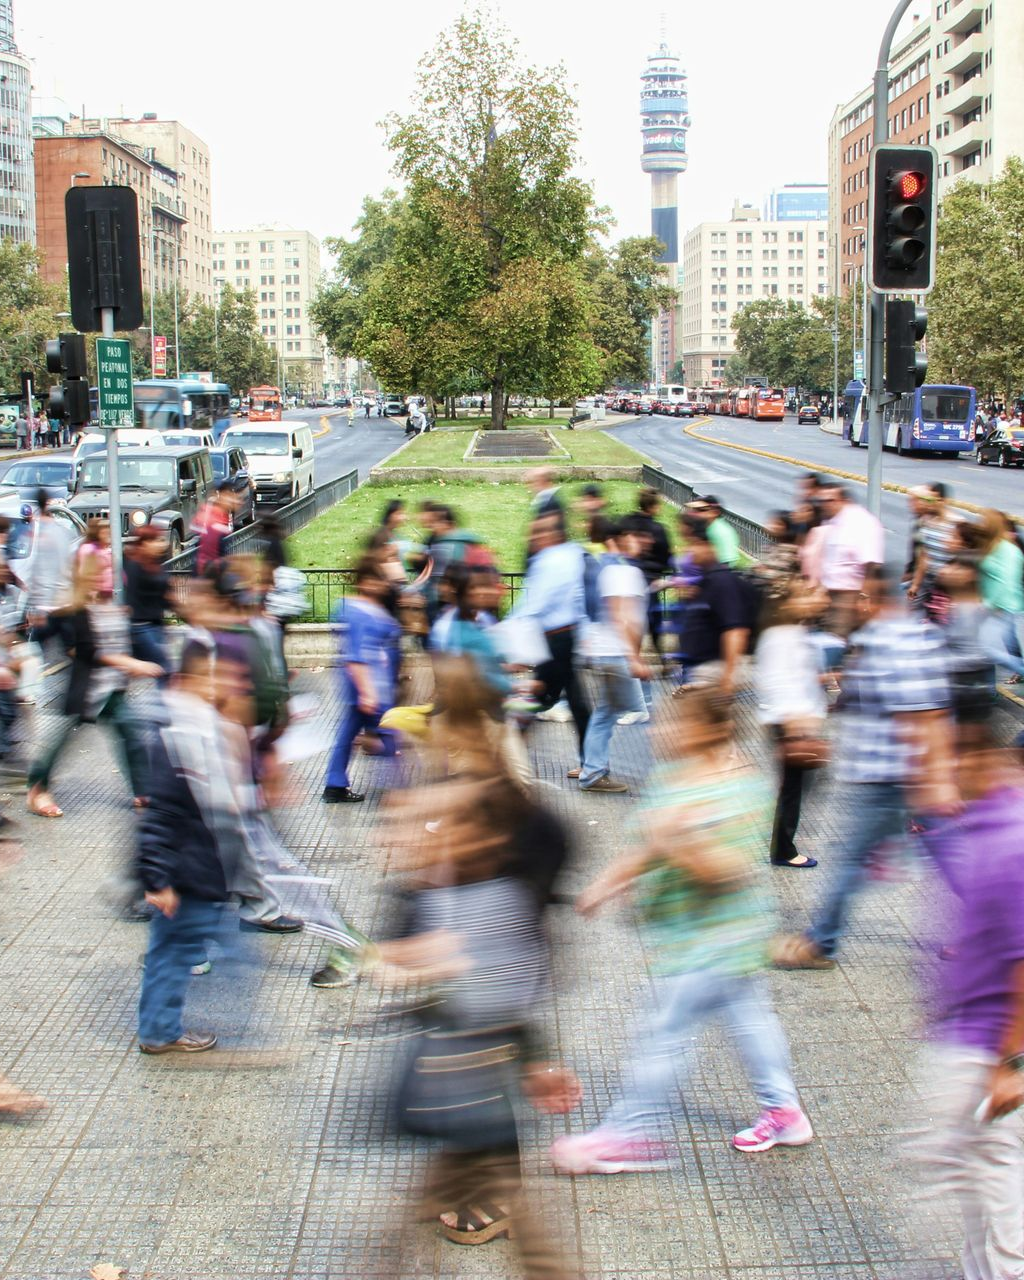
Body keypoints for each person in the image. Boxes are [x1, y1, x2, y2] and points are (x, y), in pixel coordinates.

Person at [550, 688, 813, 1175]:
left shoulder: (741, 790)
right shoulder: (673, 776)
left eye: (674, 723)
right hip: (697, 932)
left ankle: (630, 1135)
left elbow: (730, 870)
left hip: (715, 936)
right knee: (750, 1018)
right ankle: (785, 1112)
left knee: (663, 1033)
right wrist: (606, 885)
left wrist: (678, 839)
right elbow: (651, 845)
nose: (659, 730)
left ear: (710, 731)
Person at [387, 664, 581, 1274]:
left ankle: (491, 1200)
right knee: (469, 1071)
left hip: (484, 959)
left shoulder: (481, 775)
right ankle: (471, 1192)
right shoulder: (468, 761)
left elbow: (536, 843)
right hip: (482, 959)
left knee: (483, 1070)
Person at [773, 567, 955, 969]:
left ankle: (821, 944)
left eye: (858, 597)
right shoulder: (894, 635)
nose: (851, 604)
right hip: (890, 774)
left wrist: (934, 779)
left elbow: (925, 713)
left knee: (851, 859)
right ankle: (999, 926)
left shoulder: (894, 640)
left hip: (890, 776)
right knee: (946, 853)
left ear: (873, 600)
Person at [912, 714, 1024, 1280]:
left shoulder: (1011, 840)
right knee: (981, 1190)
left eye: (935, 761)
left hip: (994, 1051)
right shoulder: (984, 826)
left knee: (1001, 1201)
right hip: (977, 1042)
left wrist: (1010, 1064)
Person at [135, 642, 251, 1055]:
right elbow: (160, 814)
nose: (218, 687)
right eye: (209, 679)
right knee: (174, 952)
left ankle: (158, 1028)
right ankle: (160, 1032)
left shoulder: (201, 727)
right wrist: (156, 878)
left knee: (176, 950)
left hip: (200, 866)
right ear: (186, 681)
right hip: (186, 871)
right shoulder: (179, 736)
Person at [26, 552, 161, 818]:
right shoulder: (78, 609)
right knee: (64, 740)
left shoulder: (114, 607)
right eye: (102, 571)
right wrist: (132, 664)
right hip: (87, 688)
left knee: (131, 733)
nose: (108, 576)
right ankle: (37, 787)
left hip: (111, 689)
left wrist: (131, 665)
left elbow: (120, 643)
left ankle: (142, 791)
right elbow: (89, 651)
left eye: (109, 570)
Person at [754, 577, 828, 868]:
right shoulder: (781, 636)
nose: (809, 599)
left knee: (796, 787)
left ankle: (783, 846)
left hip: (796, 722)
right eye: (802, 596)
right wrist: (795, 727)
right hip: (790, 725)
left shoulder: (790, 632)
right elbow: (777, 683)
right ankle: (783, 850)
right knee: (792, 789)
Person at [573, 520, 649, 794]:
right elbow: (622, 615)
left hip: (603, 650)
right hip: (615, 653)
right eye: (637, 536)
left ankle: (592, 769)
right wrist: (634, 657)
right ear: (622, 538)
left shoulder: (606, 567)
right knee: (631, 712)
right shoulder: (621, 571)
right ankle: (593, 771)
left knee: (606, 712)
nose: (643, 542)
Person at [322, 556, 401, 804]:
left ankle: (335, 784)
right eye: (378, 580)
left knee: (348, 734)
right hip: (369, 687)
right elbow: (356, 655)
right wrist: (368, 692)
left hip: (367, 686)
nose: (383, 586)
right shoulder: (360, 612)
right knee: (388, 732)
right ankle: (393, 789)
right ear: (365, 582)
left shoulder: (359, 609)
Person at [513, 513, 590, 759]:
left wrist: (509, 630)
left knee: (540, 696)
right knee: (574, 701)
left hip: (554, 638)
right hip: (566, 636)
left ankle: (507, 744)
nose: (533, 539)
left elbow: (536, 602)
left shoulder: (549, 560)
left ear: (553, 534)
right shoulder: (573, 554)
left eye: (539, 533)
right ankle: (590, 760)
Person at [676, 524, 749, 695]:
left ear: (710, 546)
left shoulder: (722, 582)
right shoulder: (706, 581)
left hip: (712, 671)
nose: (689, 550)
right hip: (701, 669)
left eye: (694, 544)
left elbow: (735, 630)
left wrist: (728, 675)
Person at [817, 484, 885, 637]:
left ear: (843, 500)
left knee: (839, 638)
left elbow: (872, 564)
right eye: (821, 501)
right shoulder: (831, 521)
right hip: (829, 593)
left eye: (829, 500)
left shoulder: (862, 522)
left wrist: (864, 597)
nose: (824, 505)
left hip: (850, 595)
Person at [24, 489, 76, 658]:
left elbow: (35, 569)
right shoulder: (60, 530)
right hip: (64, 601)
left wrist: (34, 607)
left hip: (47, 604)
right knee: (71, 649)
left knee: (33, 653)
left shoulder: (38, 532)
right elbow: (67, 564)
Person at [125, 526, 174, 678]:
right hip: (140, 627)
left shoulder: (156, 564)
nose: (160, 544)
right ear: (143, 543)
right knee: (164, 668)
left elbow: (165, 597)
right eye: (155, 540)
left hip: (156, 625)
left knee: (161, 669)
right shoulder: (133, 565)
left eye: (160, 540)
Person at [196, 482, 239, 574]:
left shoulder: (223, 515)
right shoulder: (214, 517)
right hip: (209, 572)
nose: (235, 501)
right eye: (231, 497)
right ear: (221, 495)